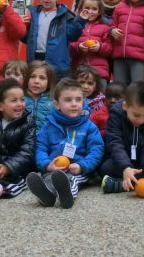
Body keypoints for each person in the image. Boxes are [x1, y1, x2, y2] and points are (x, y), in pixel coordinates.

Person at [26, 78, 104, 209]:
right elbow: (41, 147)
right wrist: (46, 164)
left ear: (83, 102)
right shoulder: (48, 125)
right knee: (48, 179)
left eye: (78, 100)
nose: (74, 104)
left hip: (78, 170)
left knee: (72, 180)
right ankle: (47, 196)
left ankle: (68, 197)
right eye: (68, 100)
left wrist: (82, 165)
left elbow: (97, 150)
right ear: (57, 104)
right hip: (54, 167)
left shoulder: (89, 126)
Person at [100, 81, 144, 193]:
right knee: (105, 168)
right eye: (136, 115)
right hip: (120, 161)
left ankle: (119, 184)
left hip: (140, 162)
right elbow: (115, 144)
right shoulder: (116, 116)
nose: (140, 120)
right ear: (125, 106)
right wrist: (126, 168)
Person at [23, 0, 80, 78]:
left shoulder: (64, 15)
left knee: (56, 91)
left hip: (57, 65)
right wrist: (23, 26)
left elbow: (73, 35)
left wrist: (81, 20)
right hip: (35, 60)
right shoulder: (33, 14)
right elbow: (26, 38)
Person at [69, 0, 113, 79]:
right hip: (79, 72)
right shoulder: (74, 26)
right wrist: (78, 47)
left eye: (94, 9)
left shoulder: (104, 28)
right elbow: (68, 45)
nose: (90, 12)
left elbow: (109, 49)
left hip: (99, 73)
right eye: (87, 8)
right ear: (81, 9)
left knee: (100, 93)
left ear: (99, 11)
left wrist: (99, 47)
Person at [24, 61, 55, 130]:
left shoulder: (53, 101)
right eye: (32, 77)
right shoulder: (20, 98)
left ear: (49, 82)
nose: (36, 81)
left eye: (42, 78)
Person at [76, 65, 107, 135]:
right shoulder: (71, 100)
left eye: (90, 83)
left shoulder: (100, 102)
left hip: (93, 134)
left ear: (95, 86)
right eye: (82, 82)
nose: (85, 86)